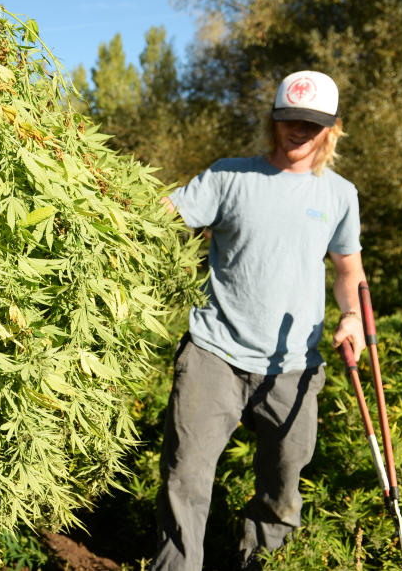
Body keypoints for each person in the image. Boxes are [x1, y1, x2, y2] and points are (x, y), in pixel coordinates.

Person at [151, 70, 367, 570]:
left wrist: (352, 314)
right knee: (185, 480)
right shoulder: (229, 177)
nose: (300, 131)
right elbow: (161, 216)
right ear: (274, 120)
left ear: (332, 128)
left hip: (293, 366)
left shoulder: (339, 195)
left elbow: (348, 269)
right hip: (215, 354)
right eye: (291, 119)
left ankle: (263, 565)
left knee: (283, 489)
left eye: (312, 123)